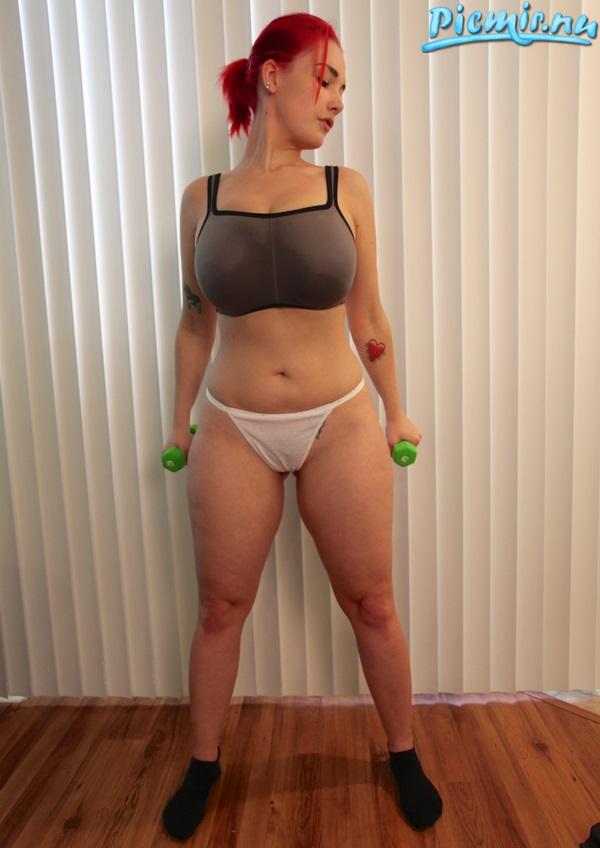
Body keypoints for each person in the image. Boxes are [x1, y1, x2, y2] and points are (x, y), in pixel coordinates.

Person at [161, 11, 442, 841]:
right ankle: (203, 763)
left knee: (373, 601)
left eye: (344, 86)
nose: (338, 100)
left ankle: (404, 753)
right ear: (271, 74)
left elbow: (369, 315)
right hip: (233, 425)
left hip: (338, 421)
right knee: (220, 608)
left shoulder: (345, 188)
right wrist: (178, 422)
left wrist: (396, 407)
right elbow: (194, 320)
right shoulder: (202, 199)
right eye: (328, 79)